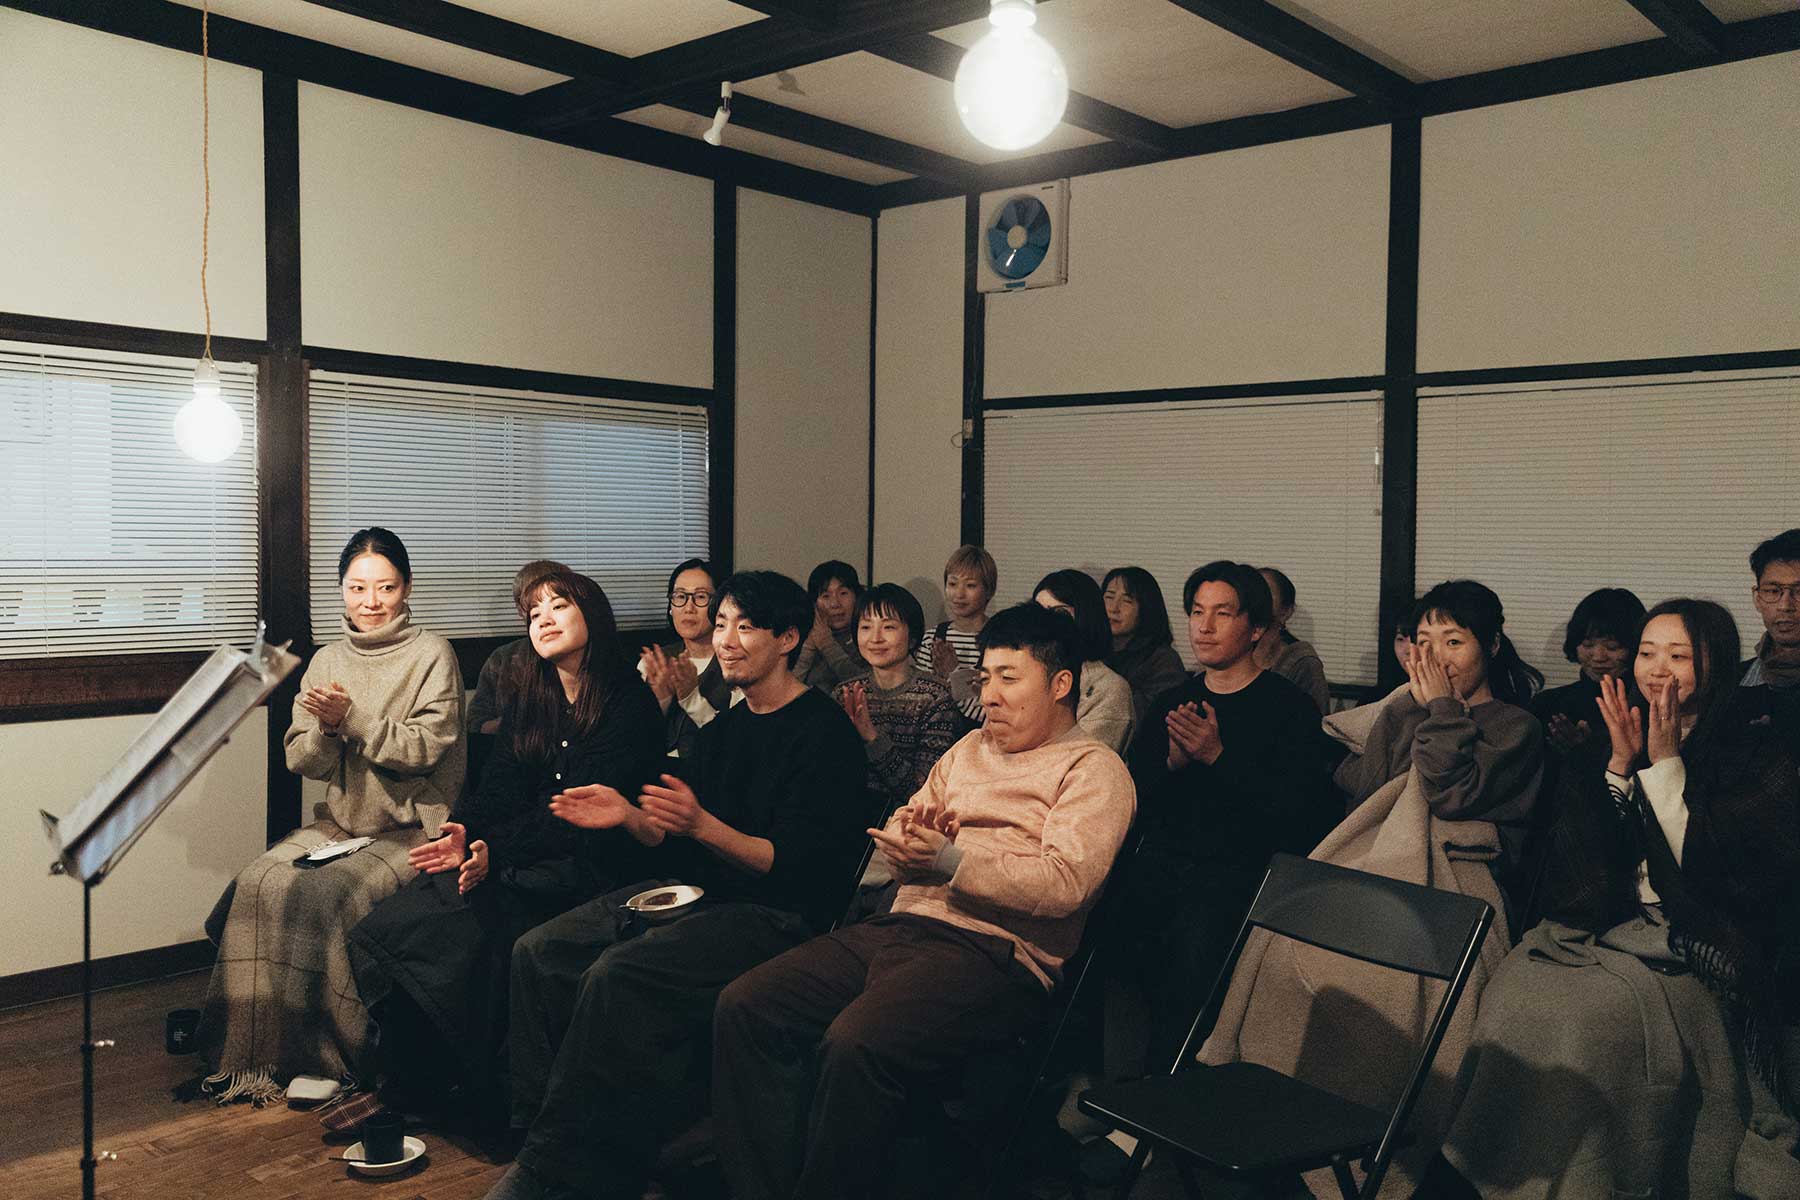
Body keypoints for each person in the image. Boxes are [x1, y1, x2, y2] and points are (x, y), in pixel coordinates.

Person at [712, 603, 1137, 1200]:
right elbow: (907, 820)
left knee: (856, 1042)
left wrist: (950, 861)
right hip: (904, 924)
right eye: (984, 677)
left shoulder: (1093, 768)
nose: (989, 695)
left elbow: (1066, 883)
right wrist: (908, 843)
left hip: (996, 953)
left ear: (1060, 683)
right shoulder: (968, 749)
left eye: (1009, 678)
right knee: (746, 1003)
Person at [487, 571, 868, 1200]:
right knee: (539, 952)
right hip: (694, 896)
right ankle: (542, 1141)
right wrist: (628, 816)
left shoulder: (822, 732)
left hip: (774, 916)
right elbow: (672, 836)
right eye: (721, 625)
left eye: (746, 627)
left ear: (788, 638)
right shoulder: (723, 732)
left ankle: (559, 1171)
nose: (726, 641)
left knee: (616, 973)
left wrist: (701, 825)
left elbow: (787, 866)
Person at [1436, 599, 1800, 1200]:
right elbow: (1585, 866)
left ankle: (1592, 1173)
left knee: (1586, 1021)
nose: (1657, 669)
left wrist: (1666, 765)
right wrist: (1617, 764)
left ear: (1716, 663)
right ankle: (1490, 1167)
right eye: (1648, 653)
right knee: (1516, 985)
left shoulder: (1755, 746)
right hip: (1616, 925)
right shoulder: (1619, 729)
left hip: (1699, 937)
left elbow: (1723, 873)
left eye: (1679, 655)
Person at [348, 570, 662, 1125]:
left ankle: (465, 1097)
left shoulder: (628, 701)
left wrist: (494, 850)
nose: (543, 620)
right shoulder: (533, 696)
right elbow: (499, 786)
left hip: (592, 864)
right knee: (406, 916)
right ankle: (410, 1083)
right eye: (533, 613)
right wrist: (464, 832)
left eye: (558, 606)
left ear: (592, 613)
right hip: (523, 852)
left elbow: (574, 812)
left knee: (468, 927)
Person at [197, 528, 465, 1097]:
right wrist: (326, 729)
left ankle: (333, 1058)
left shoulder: (432, 654)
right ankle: (252, 1054)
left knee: (325, 894)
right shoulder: (327, 660)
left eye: (385, 587)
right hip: (345, 822)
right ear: (341, 590)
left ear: (407, 588)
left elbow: (425, 750)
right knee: (258, 881)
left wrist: (354, 720)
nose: (371, 601)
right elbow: (302, 760)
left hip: (414, 825)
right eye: (357, 587)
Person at [1111, 561, 1339, 1077]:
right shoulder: (1173, 701)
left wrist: (1218, 757)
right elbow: (1132, 795)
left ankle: (1168, 1092)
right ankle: (1112, 1083)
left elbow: (1303, 816)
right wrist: (1171, 765)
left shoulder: (1288, 708)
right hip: (1161, 864)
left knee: (1196, 940)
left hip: (1241, 876)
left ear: (1256, 628)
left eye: (1222, 614)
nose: (1204, 627)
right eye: (1196, 612)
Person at [1333, 579, 1546, 900]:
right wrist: (1416, 709)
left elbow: (1452, 799)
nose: (1436, 659)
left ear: (1492, 645)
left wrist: (1442, 709)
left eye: (1454, 642)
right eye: (1424, 642)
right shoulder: (1401, 709)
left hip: (1463, 881)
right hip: (1381, 862)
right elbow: (1366, 797)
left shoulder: (1517, 726)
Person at [833, 582, 962, 823]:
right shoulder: (844, 694)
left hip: (905, 825)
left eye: (889, 627)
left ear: (912, 638)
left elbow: (922, 791)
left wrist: (872, 737)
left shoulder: (935, 697)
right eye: (865, 627)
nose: (875, 638)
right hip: (844, 821)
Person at [1530, 587, 1645, 767]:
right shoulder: (1547, 704)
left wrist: (1586, 752)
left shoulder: (1647, 707)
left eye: (1612, 647)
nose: (1598, 657)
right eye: (1587, 644)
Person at [638, 557, 736, 759]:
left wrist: (692, 699)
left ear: (720, 605)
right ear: (670, 606)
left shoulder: (736, 663)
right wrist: (661, 700)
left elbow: (736, 744)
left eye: (700, 597)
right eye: (680, 596)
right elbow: (632, 737)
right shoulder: (654, 662)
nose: (688, 607)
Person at [1033, 569, 1136, 754]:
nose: (1043, 624)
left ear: (1085, 616)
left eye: (1058, 613)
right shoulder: (1025, 673)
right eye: (1037, 612)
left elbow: (1081, 758)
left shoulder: (1109, 688)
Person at [467, 560, 569, 737]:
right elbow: (475, 723)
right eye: (534, 607)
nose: (546, 619)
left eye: (558, 605)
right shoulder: (503, 659)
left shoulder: (589, 655)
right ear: (520, 610)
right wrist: (511, 723)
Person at [914, 544, 997, 727]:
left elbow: (992, 711)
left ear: (989, 590)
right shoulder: (933, 638)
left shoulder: (999, 639)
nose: (959, 594)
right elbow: (921, 700)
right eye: (952, 584)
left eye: (970, 585)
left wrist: (953, 673)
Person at [1101, 566, 1187, 725]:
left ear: (1146, 608)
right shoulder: (1093, 652)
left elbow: (1150, 718)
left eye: (1127, 601)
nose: (1113, 608)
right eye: (1109, 597)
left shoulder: (1163, 660)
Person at [1743, 528, 1800, 746]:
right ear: (1757, 598)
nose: (1785, 605)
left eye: (1799, 591)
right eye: (1773, 591)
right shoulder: (1729, 684)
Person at [1254, 566, 1331, 714]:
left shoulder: (1303, 662)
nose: (1255, 601)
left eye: (1265, 594)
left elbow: (1318, 721)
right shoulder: (1229, 651)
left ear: (1286, 612)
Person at [794, 559, 866, 692]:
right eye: (826, 596)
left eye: (843, 593)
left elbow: (865, 687)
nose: (835, 604)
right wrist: (809, 645)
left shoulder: (867, 637)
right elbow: (786, 692)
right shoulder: (797, 637)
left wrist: (826, 643)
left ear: (857, 596)